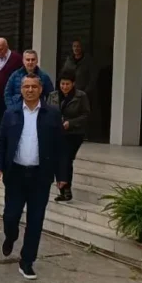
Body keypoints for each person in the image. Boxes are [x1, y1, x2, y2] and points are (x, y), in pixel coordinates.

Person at [0, 73, 68, 280]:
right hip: (15, 174)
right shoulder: (11, 113)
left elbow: (61, 148)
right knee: (11, 216)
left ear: (40, 89)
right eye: (26, 87)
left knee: (35, 220)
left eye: (34, 87)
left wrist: (62, 175)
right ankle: (11, 236)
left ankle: (27, 261)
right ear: (21, 89)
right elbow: (0, 142)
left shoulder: (52, 114)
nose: (30, 90)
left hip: (40, 176)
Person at [47, 71, 90, 202]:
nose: (64, 87)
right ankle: (63, 190)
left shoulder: (81, 96)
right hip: (57, 133)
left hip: (74, 133)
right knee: (59, 159)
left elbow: (86, 115)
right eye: (62, 84)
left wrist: (70, 123)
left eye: (67, 84)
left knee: (66, 158)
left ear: (73, 84)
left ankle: (66, 189)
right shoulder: (53, 96)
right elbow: (47, 112)